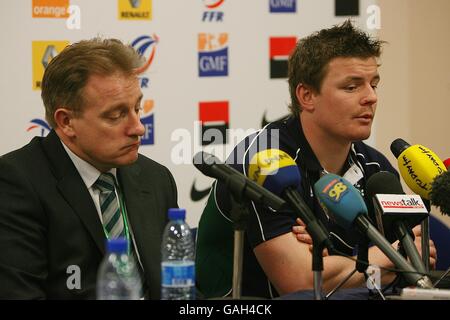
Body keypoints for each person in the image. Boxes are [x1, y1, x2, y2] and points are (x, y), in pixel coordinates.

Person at [195, 20, 436, 299]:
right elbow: (300, 281)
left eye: (373, 84)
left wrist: (345, 261)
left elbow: (419, 261)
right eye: (352, 87)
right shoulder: (264, 161)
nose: (371, 97)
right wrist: (388, 257)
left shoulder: (375, 168)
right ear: (307, 95)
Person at [0, 38, 178, 299]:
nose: (138, 127)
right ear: (67, 121)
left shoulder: (156, 178)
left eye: (137, 108)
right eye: (116, 115)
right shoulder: (17, 183)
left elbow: (179, 287)